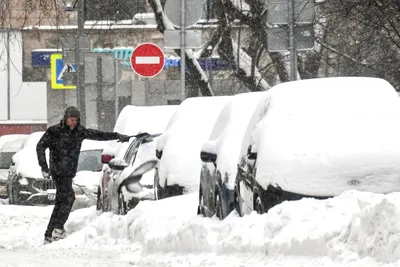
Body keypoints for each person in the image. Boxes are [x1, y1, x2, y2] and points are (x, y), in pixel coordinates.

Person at [36, 106, 130, 244]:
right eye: (71, 120)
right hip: (58, 171)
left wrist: (117, 136)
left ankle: (50, 233)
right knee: (68, 197)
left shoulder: (79, 132)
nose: (73, 123)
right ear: (65, 118)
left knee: (61, 201)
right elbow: (40, 146)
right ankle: (57, 228)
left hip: (69, 172)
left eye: (76, 120)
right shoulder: (54, 131)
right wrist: (44, 166)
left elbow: (98, 135)